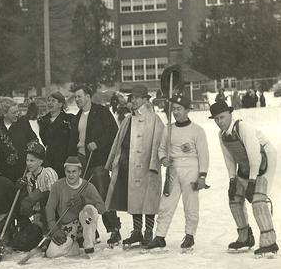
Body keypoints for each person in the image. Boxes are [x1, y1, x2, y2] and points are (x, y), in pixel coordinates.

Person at [210, 102, 278, 256]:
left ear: (230, 114)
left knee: (258, 200)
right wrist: (232, 180)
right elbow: (229, 159)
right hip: (245, 164)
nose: (219, 121)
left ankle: (269, 241)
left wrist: (253, 181)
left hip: (264, 160)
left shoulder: (243, 128)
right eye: (216, 119)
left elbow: (255, 156)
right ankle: (245, 237)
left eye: (222, 117)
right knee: (234, 198)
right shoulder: (221, 135)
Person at [144, 95, 210, 250]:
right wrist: (163, 159)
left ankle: (189, 235)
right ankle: (160, 236)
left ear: (187, 110)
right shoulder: (169, 129)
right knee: (166, 204)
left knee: (190, 204)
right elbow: (161, 149)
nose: (176, 112)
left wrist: (202, 175)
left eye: (179, 109)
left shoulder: (197, 131)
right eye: (173, 109)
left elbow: (204, 155)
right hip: (173, 170)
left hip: (191, 170)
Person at [105, 84, 164, 247]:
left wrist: (154, 164)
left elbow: (159, 143)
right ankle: (137, 231)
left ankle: (149, 231)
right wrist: (114, 161)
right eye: (133, 98)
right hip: (129, 164)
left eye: (138, 97)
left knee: (148, 199)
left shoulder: (154, 119)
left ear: (146, 99)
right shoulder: (128, 119)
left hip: (146, 165)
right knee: (134, 198)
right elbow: (119, 141)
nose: (135, 101)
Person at [69, 85, 122, 246]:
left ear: (88, 96)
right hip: (81, 159)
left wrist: (98, 143)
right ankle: (91, 230)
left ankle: (114, 229)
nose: (77, 100)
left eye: (79, 96)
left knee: (102, 193)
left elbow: (114, 132)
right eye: (75, 97)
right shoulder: (77, 116)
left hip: (98, 159)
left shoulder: (102, 112)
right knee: (84, 196)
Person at [45, 157, 106, 258]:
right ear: (64, 171)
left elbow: (102, 208)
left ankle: (88, 244)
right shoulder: (58, 186)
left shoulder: (88, 186)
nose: (71, 175)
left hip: (86, 224)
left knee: (89, 209)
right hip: (68, 227)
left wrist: (85, 201)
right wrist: (54, 229)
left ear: (80, 172)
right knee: (51, 253)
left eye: (74, 171)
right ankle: (74, 247)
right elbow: (49, 208)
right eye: (68, 171)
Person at [12, 142, 58, 251]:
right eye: (27, 160)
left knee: (40, 200)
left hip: (50, 213)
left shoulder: (48, 172)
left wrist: (36, 195)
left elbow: (54, 196)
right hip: (35, 216)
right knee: (23, 241)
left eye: (32, 161)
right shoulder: (28, 176)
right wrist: (20, 188)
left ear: (41, 161)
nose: (28, 163)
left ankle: (48, 235)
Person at [0, 97, 38, 183]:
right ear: (4, 113)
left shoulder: (23, 123)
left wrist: (31, 161)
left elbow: (34, 140)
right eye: (14, 112)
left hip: (22, 170)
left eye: (17, 111)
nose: (17, 114)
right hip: (2, 170)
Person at [38, 91, 73, 178]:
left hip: (66, 159)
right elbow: (44, 139)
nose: (50, 103)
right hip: (50, 160)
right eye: (48, 101)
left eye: (53, 101)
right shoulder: (43, 120)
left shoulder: (70, 119)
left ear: (61, 104)